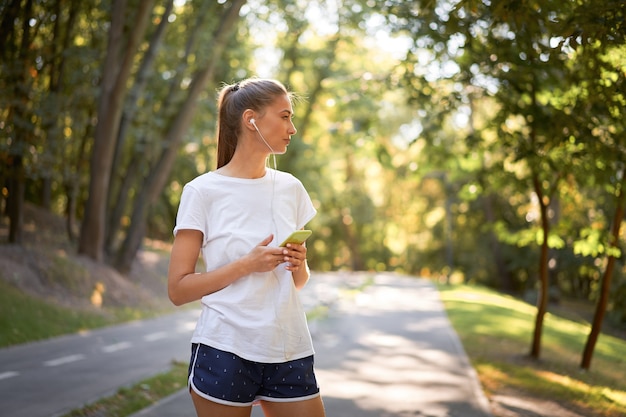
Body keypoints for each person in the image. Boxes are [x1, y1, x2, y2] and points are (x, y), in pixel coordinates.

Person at [168, 78, 326, 417]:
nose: (292, 128)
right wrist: (246, 264)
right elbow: (178, 290)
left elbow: (297, 283)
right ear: (251, 119)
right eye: (285, 116)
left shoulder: (291, 188)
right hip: (225, 349)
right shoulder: (202, 192)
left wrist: (298, 264)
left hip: (288, 348)